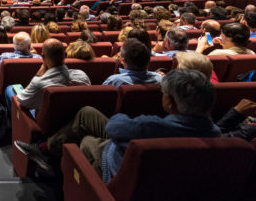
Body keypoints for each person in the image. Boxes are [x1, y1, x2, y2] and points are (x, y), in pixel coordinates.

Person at [15, 69, 219, 180]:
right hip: (136, 151)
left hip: (117, 160)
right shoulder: (216, 133)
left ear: (169, 103)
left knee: (86, 140)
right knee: (87, 113)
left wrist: (125, 118)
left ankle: (59, 164)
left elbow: (114, 128)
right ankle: (45, 150)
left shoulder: (150, 126)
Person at [5, 39, 91, 111]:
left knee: (10, 89)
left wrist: (39, 73)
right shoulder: (82, 75)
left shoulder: (39, 82)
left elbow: (20, 100)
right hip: (72, 121)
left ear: (43, 56)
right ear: (65, 55)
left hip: (41, 124)